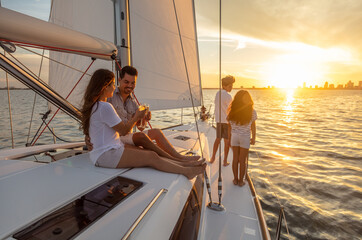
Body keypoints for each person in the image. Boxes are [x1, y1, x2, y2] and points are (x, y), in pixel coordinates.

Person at [80, 69, 205, 179]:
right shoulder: (105, 106)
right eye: (112, 84)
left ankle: (182, 163)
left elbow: (137, 127)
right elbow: (123, 131)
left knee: (151, 153)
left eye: (133, 83)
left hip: (107, 150)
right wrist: (136, 117)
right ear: (105, 86)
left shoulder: (95, 105)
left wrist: (143, 118)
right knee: (151, 157)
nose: (114, 87)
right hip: (105, 154)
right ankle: (186, 171)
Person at [227, 90, 257, 186]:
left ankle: (235, 179)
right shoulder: (252, 111)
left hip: (234, 137)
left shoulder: (232, 111)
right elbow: (253, 126)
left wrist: (228, 139)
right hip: (245, 137)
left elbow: (229, 126)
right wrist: (253, 138)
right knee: (242, 161)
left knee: (235, 159)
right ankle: (241, 181)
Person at [209, 75, 235, 166]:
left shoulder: (217, 93)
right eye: (230, 86)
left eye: (231, 86)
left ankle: (212, 157)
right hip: (227, 122)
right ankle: (224, 161)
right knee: (227, 142)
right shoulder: (228, 96)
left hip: (219, 120)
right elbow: (231, 110)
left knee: (217, 139)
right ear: (224, 86)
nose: (231, 88)